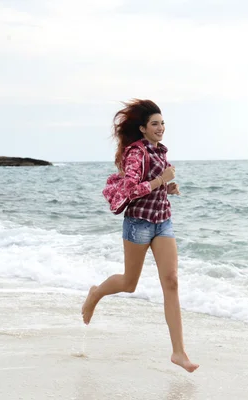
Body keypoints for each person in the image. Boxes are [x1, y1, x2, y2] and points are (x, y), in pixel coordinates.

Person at [81, 99, 199, 373]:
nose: (160, 128)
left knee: (171, 281)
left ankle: (178, 352)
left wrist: (167, 188)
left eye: (162, 123)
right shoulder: (136, 153)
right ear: (143, 129)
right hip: (138, 224)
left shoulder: (160, 152)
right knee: (129, 283)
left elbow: (152, 185)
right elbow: (131, 189)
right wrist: (160, 181)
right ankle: (96, 294)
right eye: (155, 124)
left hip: (162, 221)